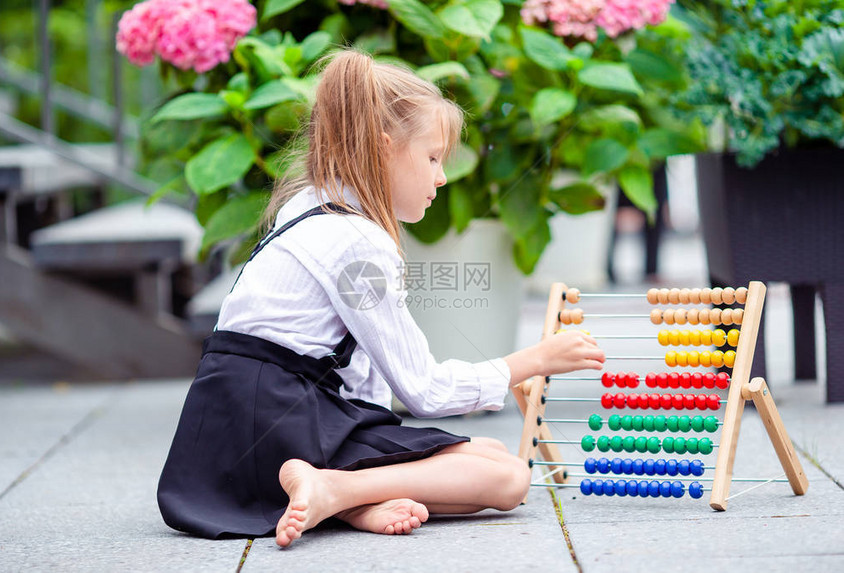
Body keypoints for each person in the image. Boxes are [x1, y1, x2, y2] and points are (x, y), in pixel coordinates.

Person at [157, 49, 605, 548]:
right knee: (508, 478)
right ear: (383, 147)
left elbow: (361, 377)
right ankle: (336, 488)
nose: (441, 177)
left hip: (224, 431)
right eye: (432, 157)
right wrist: (535, 359)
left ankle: (347, 499)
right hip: (277, 426)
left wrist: (393, 449)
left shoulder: (310, 204)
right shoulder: (359, 245)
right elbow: (423, 391)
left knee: (486, 449)